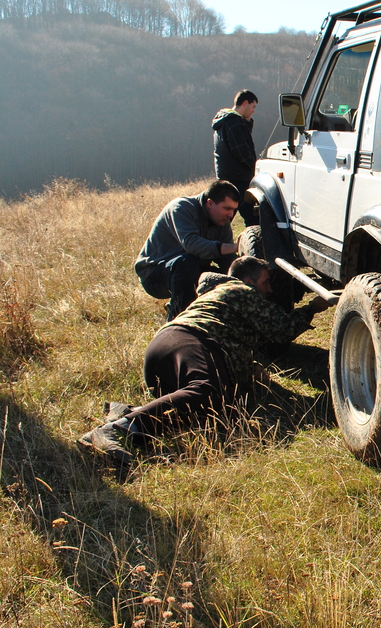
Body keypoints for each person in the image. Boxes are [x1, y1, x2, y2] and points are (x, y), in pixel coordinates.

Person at [79, 256, 330, 466]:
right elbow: (281, 329)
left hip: (165, 348)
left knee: (208, 412)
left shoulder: (218, 298)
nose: (269, 290)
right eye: (265, 283)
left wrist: (247, 370)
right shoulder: (240, 290)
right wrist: (312, 308)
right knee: (206, 390)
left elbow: (232, 339)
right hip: (191, 341)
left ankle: (126, 414)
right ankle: (114, 431)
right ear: (248, 281)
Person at [135, 179, 240, 320]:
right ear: (209, 203)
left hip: (190, 270)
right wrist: (237, 246)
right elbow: (193, 246)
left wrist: (241, 273)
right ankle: (178, 321)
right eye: (227, 208)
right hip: (155, 275)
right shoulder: (181, 208)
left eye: (234, 210)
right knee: (188, 262)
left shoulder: (221, 221)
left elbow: (227, 258)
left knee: (228, 277)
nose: (231, 215)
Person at [212, 89, 259, 226]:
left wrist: (247, 123)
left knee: (223, 218)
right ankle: (253, 244)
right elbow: (242, 151)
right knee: (253, 219)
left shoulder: (224, 120)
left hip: (226, 176)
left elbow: (240, 140)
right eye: (253, 106)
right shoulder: (235, 122)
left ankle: (213, 244)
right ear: (245, 103)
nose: (253, 110)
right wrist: (255, 168)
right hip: (240, 178)